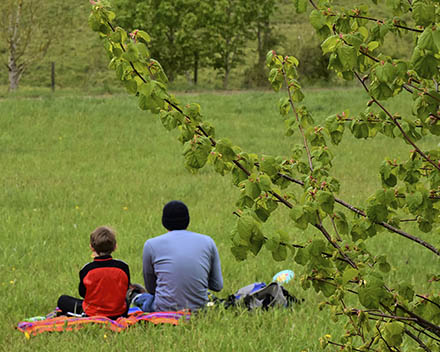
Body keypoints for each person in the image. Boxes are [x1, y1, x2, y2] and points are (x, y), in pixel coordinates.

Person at [134, 200, 223, 312]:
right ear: (188, 220)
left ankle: (135, 297)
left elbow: (151, 288)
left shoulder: (151, 245)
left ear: (164, 222)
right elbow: (217, 286)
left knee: (144, 299)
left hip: (163, 309)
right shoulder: (208, 242)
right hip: (199, 309)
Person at [57, 226, 130, 319]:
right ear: (115, 246)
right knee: (127, 300)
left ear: (92, 247)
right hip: (119, 312)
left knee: (62, 300)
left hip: (93, 312)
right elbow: (125, 288)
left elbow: (82, 293)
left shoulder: (87, 269)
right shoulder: (123, 267)